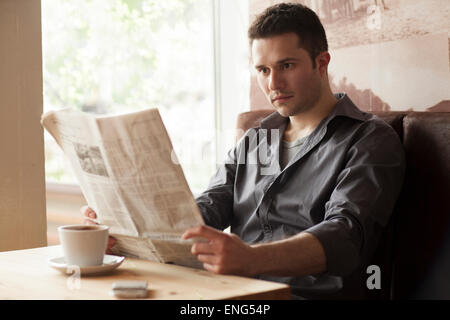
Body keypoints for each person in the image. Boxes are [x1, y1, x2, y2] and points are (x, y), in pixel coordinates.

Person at [83, 3, 405, 299]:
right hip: (231, 290)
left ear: (321, 62)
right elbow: (208, 207)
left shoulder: (369, 139)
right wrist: (126, 225)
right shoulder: (257, 138)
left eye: (286, 65)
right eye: (263, 70)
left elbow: (345, 237)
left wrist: (250, 259)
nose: (273, 84)